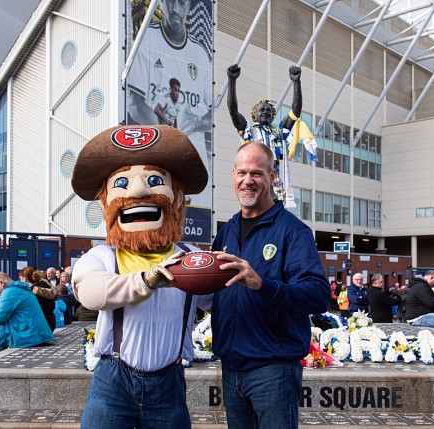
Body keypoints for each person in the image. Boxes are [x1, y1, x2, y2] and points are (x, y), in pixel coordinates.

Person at [71, 125, 212, 428]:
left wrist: (238, 279)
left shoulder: (191, 256)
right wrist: (146, 281)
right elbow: (91, 292)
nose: (137, 192)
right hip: (113, 382)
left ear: (176, 198)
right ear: (105, 203)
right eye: (122, 183)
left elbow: (219, 299)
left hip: (169, 385)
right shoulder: (104, 256)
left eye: (154, 181)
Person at [211, 142, 330, 429]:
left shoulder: (293, 231)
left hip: (273, 371)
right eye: (241, 173)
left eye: (257, 173)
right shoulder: (226, 231)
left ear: (272, 176)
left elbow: (318, 296)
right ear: (233, 176)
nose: (247, 181)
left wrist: (263, 284)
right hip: (231, 367)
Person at [127, 0, 213, 191]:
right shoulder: (146, 38)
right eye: (170, 2)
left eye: (181, 3)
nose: (175, 9)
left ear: (189, 7)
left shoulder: (199, 53)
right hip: (156, 167)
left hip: (194, 173)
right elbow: (134, 102)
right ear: (162, 3)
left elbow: (215, 115)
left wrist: (197, 123)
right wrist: (167, 137)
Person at [226, 63, 306, 206]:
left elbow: (296, 111)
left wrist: (296, 83)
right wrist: (231, 81)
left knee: (276, 215)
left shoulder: (278, 132)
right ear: (254, 116)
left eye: (268, 111)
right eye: (261, 110)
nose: (265, 112)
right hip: (255, 178)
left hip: (274, 181)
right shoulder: (248, 131)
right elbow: (233, 111)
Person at [0, 271, 55, 356]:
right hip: (36, 333)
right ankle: (1, 355)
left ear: (2, 283)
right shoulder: (21, 289)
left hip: (28, 335)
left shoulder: (10, 292)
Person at [20, 267, 57, 332]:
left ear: (24, 278)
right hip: (50, 324)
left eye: (20, 279)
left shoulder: (32, 293)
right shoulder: (46, 287)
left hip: (40, 329)